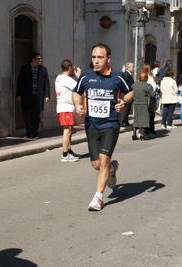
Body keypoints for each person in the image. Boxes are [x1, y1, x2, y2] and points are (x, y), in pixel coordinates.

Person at [73, 43, 134, 211]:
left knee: (104, 160)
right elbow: (76, 92)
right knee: (96, 165)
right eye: (93, 57)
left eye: (100, 57)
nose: (96, 61)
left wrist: (123, 101)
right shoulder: (86, 76)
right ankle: (113, 168)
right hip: (91, 124)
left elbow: (130, 91)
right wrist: (78, 105)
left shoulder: (118, 76)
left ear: (108, 58)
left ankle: (98, 199)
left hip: (110, 124)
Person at [16, 52, 50, 139]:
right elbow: (20, 82)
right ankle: (28, 132)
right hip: (27, 95)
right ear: (33, 59)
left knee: (36, 114)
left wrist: (47, 95)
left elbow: (46, 83)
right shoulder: (25, 68)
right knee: (26, 113)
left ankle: (35, 132)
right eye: (38, 59)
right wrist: (19, 94)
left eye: (40, 58)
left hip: (38, 96)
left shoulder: (43, 69)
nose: (40, 60)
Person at [55, 59, 81, 162]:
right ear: (70, 68)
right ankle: (65, 154)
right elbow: (79, 86)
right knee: (67, 131)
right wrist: (78, 76)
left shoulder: (59, 77)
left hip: (64, 107)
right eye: (73, 68)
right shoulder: (67, 79)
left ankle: (69, 150)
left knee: (70, 129)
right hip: (65, 107)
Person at [131, 71, 156, 140]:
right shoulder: (147, 86)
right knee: (144, 119)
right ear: (146, 78)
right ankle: (142, 134)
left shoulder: (134, 85)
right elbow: (152, 94)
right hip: (144, 104)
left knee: (136, 119)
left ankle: (134, 133)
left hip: (136, 103)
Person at [143, 63, 158, 138]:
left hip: (145, 98)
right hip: (151, 97)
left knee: (146, 115)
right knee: (151, 115)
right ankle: (151, 130)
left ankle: (146, 131)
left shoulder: (143, 77)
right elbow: (154, 88)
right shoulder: (151, 77)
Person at [119, 62, 135, 127]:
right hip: (125, 94)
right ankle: (123, 121)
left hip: (129, 94)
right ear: (128, 68)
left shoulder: (129, 74)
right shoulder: (126, 74)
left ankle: (126, 121)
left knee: (128, 108)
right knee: (125, 108)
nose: (134, 68)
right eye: (132, 67)